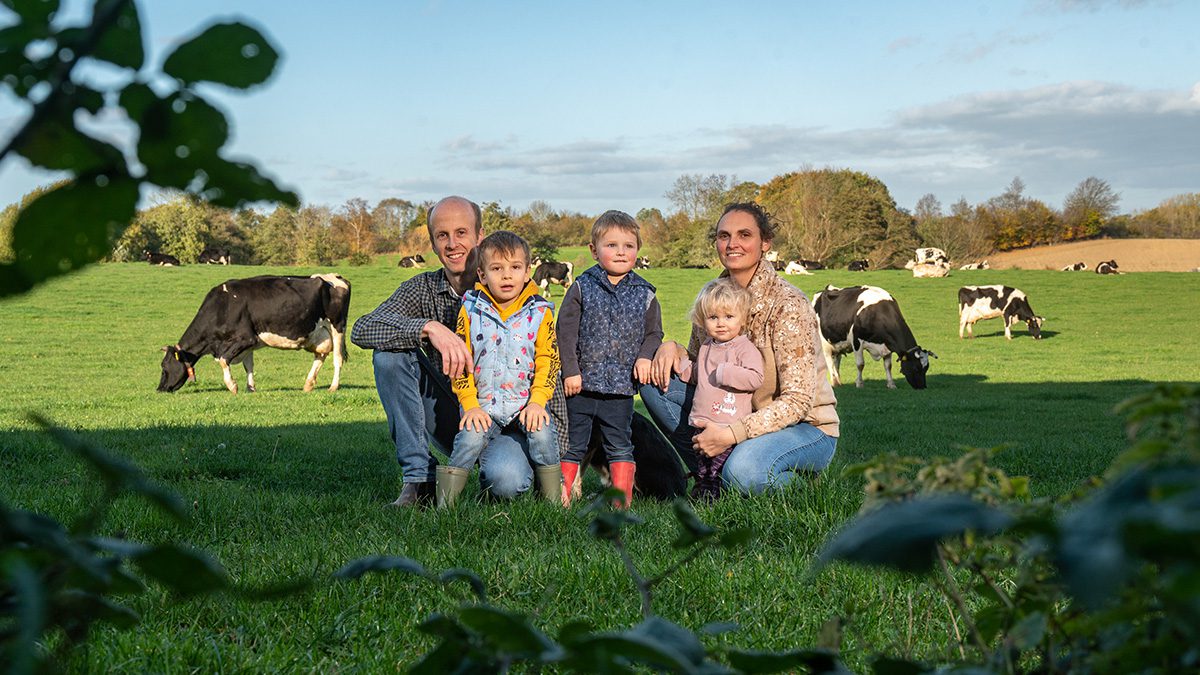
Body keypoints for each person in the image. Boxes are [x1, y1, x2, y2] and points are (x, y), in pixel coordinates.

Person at [351, 196, 569, 507]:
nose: (453, 244)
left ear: (480, 235)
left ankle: (504, 469)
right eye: (443, 235)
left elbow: (549, 365)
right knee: (388, 355)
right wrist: (429, 328)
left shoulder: (522, 296)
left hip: (511, 415)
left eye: (462, 233)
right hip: (453, 410)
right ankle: (419, 480)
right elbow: (363, 328)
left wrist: (559, 453)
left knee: (506, 481)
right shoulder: (423, 289)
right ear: (433, 242)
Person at [641, 202, 839, 495]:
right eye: (724, 236)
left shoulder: (788, 305)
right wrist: (673, 348)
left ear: (765, 243)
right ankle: (711, 475)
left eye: (744, 235)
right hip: (729, 415)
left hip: (804, 428)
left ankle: (797, 485)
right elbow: (702, 366)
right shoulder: (713, 297)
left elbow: (798, 401)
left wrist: (732, 434)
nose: (732, 244)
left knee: (744, 472)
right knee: (655, 383)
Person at [438, 231, 562, 507]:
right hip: (483, 406)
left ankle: (553, 501)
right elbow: (460, 362)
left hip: (524, 405)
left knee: (542, 433)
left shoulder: (541, 313)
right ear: (482, 274)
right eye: (497, 269)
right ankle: (444, 506)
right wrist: (469, 405)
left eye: (515, 268)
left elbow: (548, 361)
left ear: (528, 271)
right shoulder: (470, 312)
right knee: (469, 438)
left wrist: (538, 403)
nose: (507, 276)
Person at [557, 210, 663, 507]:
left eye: (628, 246)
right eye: (611, 245)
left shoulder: (645, 294)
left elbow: (655, 333)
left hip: (621, 388)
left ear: (637, 251)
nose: (621, 252)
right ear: (594, 250)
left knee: (620, 445)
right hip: (581, 386)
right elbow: (565, 332)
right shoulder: (581, 287)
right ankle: (563, 499)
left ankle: (621, 502)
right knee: (574, 443)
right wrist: (571, 370)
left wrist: (644, 357)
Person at [676, 278, 764, 501]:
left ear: (742, 319)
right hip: (703, 420)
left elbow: (755, 378)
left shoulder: (745, 348)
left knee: (718, 465)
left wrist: (728, 373)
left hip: (728, 422)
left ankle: (718, 498)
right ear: (703, 320)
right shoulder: (707, 345)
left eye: (729, 317)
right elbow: (702, 374)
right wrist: (685, 369)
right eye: (713, 318)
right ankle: (703, 489)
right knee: (703, 463)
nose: (721, 323)